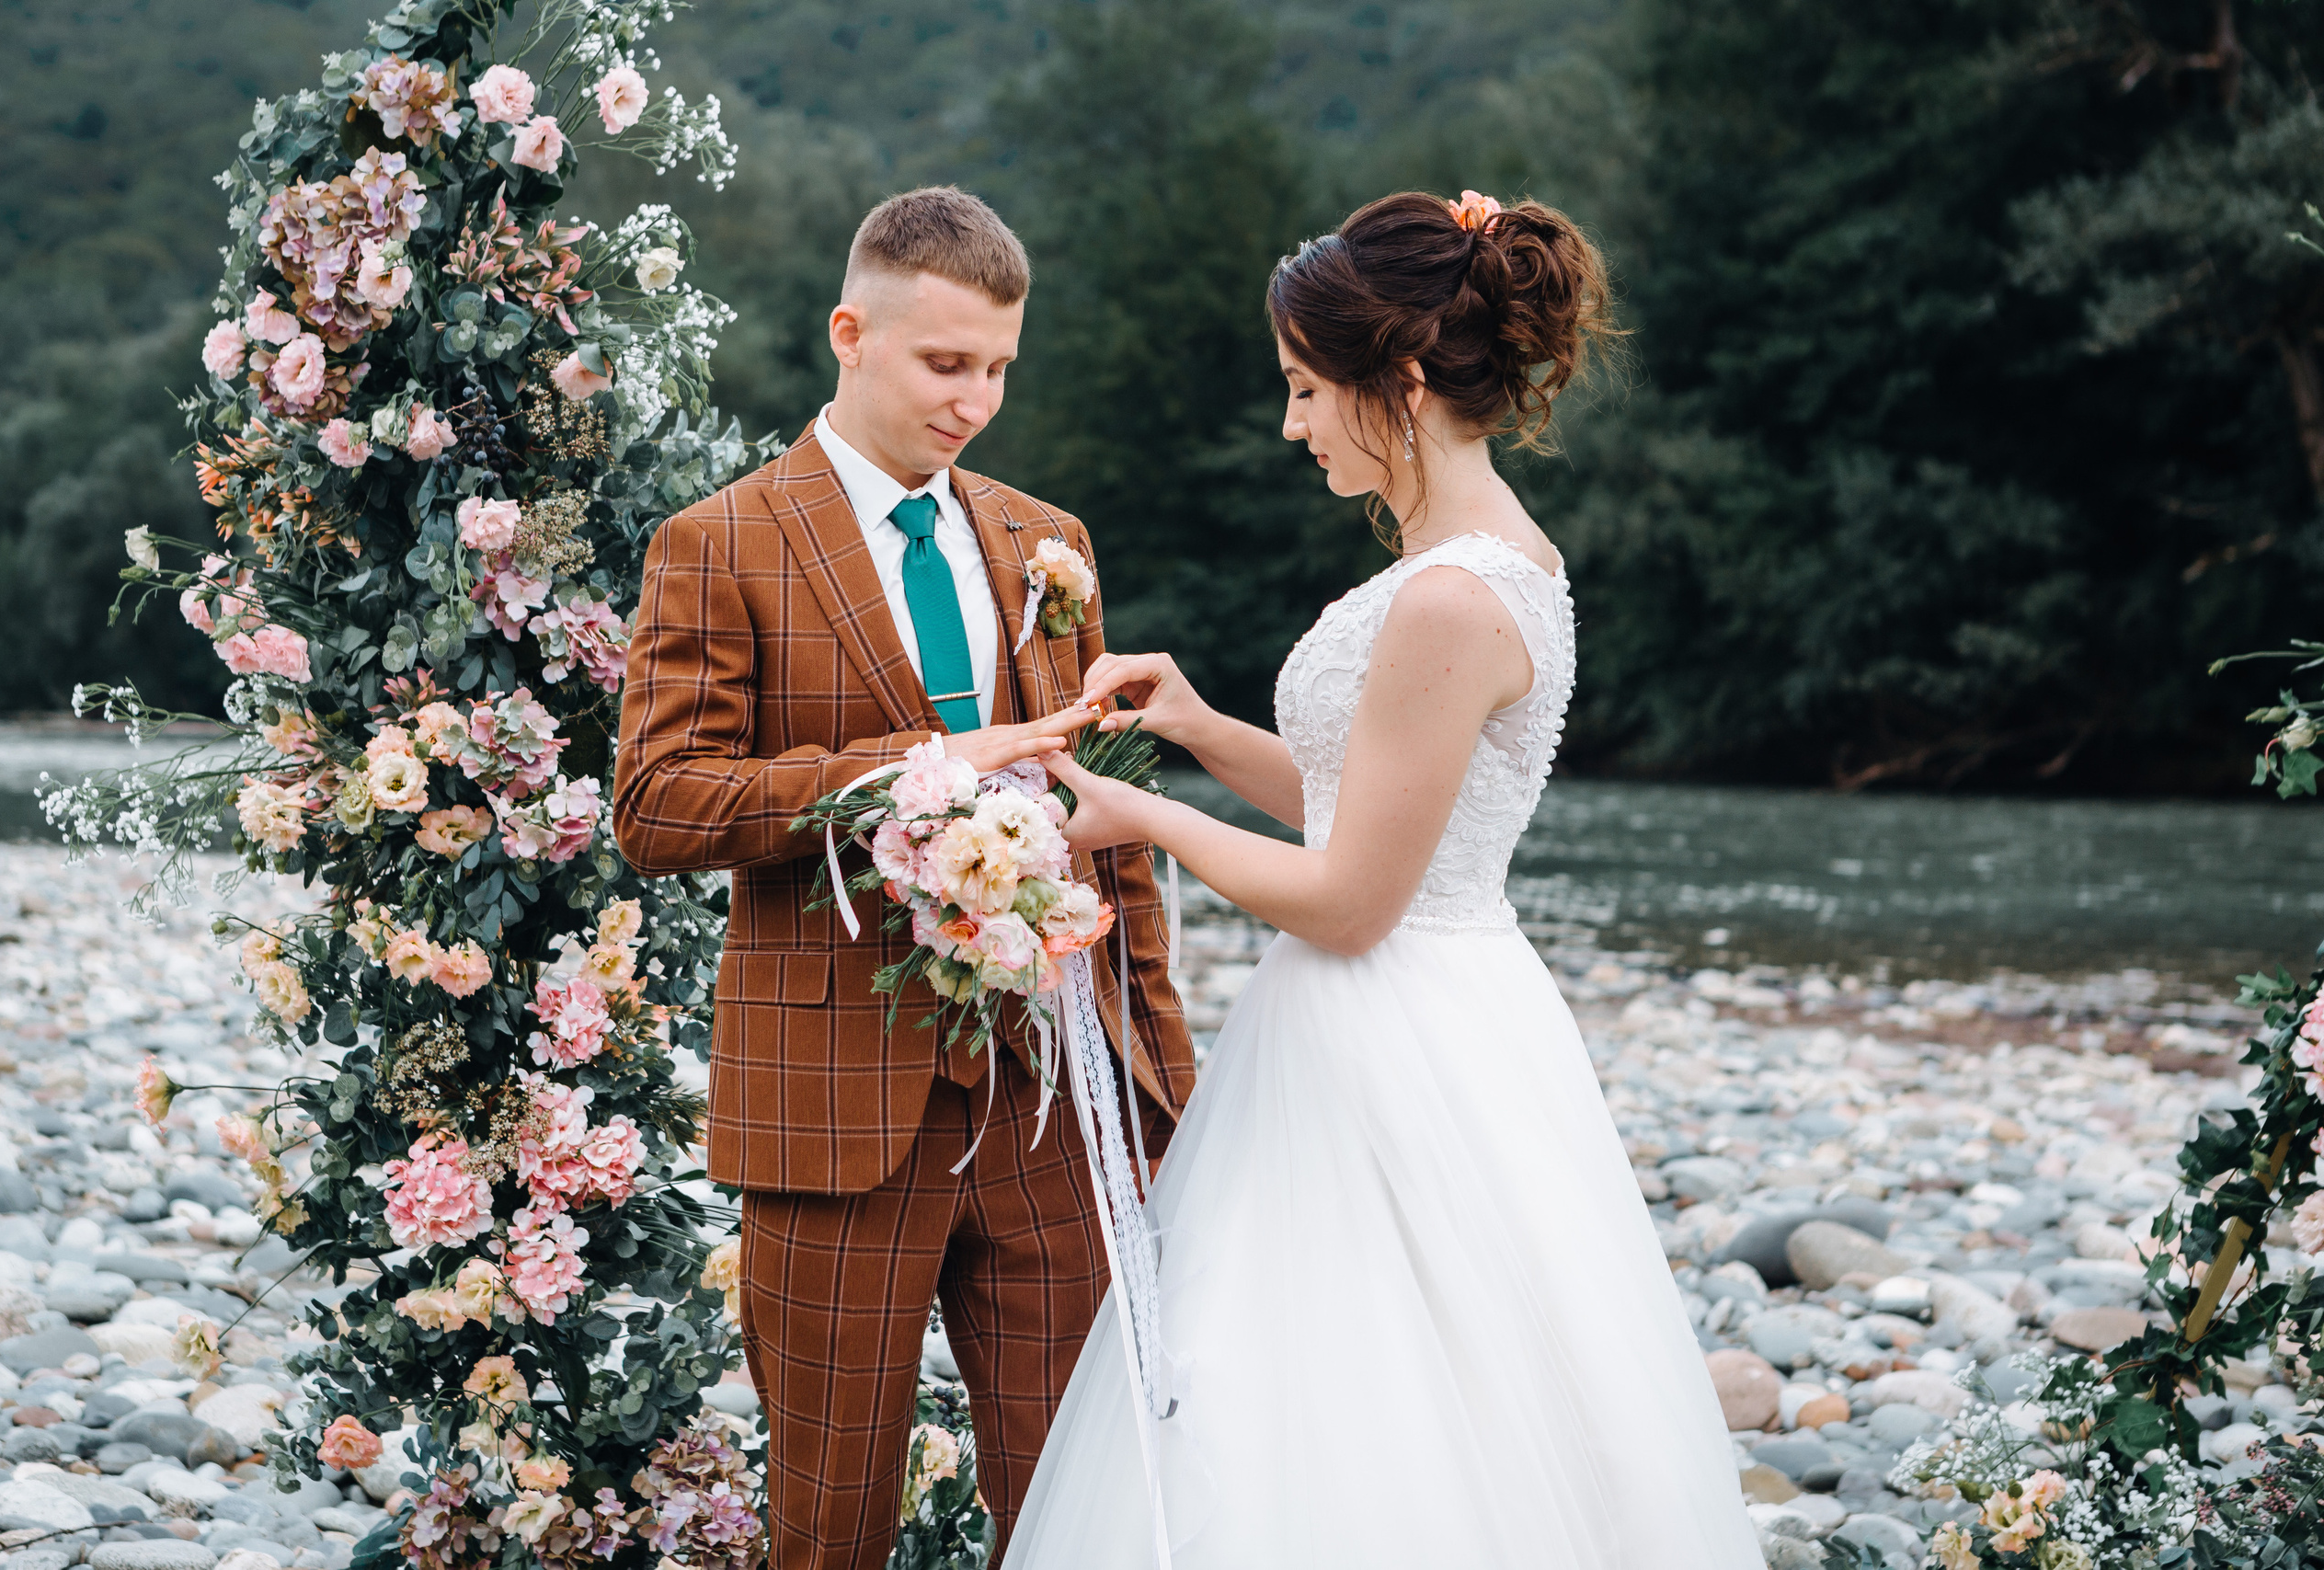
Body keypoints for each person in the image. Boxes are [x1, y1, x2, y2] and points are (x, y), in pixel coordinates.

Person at [1005, 190, 1766, 1566]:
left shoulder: (1447, 598)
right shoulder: (1494, 563)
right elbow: (1372, 809)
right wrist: (1189, 723)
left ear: (1399, 383)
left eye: (1306, 389)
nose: (1293, 424)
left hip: (1392, 1021)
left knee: (1357, 1403)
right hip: (1432, 1006)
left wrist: (1137, 818)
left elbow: (1356, 898)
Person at [611, 186, 1196, 1570]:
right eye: (946, 364)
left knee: (1078, 1515)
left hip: (1056, 1095)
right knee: (828, 1529)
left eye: (999, 366)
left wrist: (1159, 1069)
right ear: (849, 333)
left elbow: (1100, 819)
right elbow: (657, 805)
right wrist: (913, 767)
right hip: (834, 1112)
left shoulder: (1048, 542)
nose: (976, 399)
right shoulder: (722, 543)